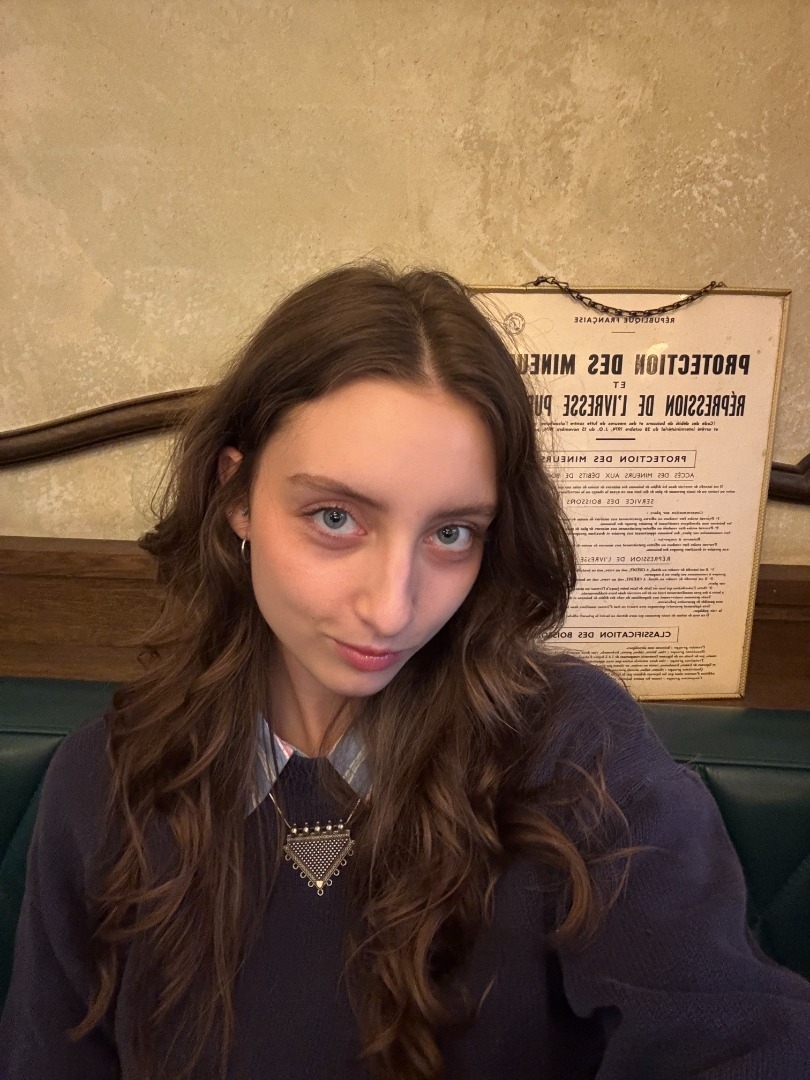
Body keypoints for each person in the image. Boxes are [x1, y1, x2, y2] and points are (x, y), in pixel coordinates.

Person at [1, 263, 808, 1080]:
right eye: (336, 517)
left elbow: (736, 1029)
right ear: (238, 496)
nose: (392, 609)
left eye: (451, 534)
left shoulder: (574, 750)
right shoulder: (106, 782)